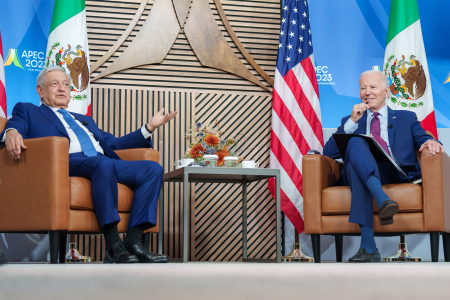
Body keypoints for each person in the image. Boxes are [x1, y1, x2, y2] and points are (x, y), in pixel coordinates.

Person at [0, 66, 178, 264]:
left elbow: (114, 144)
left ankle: (134, 241)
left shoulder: (84, 120)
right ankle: (112, 244)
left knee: (152, 169)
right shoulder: (28, 110)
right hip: (65, 163)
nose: (62, 88)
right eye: (55, 84)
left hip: (102, 163)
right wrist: (12, 132)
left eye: (66, 84)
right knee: (102, 163)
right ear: (40, 91)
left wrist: (149, 127)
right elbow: (16, 123)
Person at [323, 70, 444, 262]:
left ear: (386, 91)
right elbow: (328, 153)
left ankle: (369, 248)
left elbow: (423, 137)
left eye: (373, 87)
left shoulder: (406, 117)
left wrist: (431, 141)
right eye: (363, 88)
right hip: (362, 172)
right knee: (354, 145)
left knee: (356, 169)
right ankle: (382, 200)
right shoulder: (351, 120)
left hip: (393, 172)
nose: (367, 92)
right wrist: (353, 123)